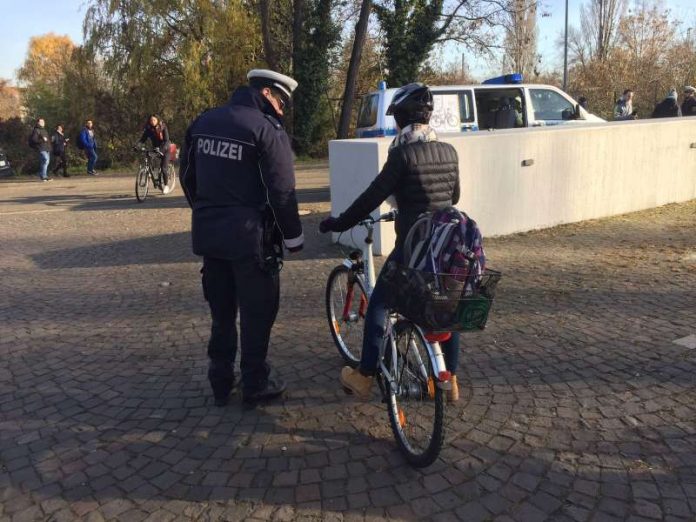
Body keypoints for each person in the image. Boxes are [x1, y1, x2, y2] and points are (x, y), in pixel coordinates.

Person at [318, 83, 463, 402]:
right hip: (446, 245)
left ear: (403, 117)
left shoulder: (402, 155)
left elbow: (372, 195)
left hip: (413, 247)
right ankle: (450, 380)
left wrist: (338, 222)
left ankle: (365, 375)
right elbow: (454, 197)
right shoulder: (449, 151)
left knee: (381, 303)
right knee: (444, 308)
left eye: (396, 117)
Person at [180, 69, 304, 407]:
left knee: (221, 313)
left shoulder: (204, 121)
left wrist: (206, 210)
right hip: (252, 240)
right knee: (257, 311)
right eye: (279, 100)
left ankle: (220, 380)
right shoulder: (266, 129)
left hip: (209, 237)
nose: (281, 109)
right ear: (266, 93)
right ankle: (254, 382)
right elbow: (282, 191)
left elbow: (187, 176)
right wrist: (293, 237)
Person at [137, 114, 172, 193]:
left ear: (158, 120)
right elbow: (142, 139)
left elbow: (167, 141)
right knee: (150, 158)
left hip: (165, 149)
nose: (152, 122)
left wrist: (162, 149)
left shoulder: (163, 127)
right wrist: (137, 146)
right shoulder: (149, 129)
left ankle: (166, 185)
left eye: (154, 120)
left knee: (164, 168)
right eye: (151, 120)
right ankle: (152, 175)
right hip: (156, 149)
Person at [29, 118, 52, 182]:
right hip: (41, 148)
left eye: (43, 121)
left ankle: (43, 176)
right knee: (46, 160)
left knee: (44, 162)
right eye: (41, 122)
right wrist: (42, 140)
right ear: (38, 123)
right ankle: (44, 176)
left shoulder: (44, 130)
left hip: (47, 148)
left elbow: (47, 140)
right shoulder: (36, 130)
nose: (43, 123)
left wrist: (50, 147)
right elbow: (34, 140)